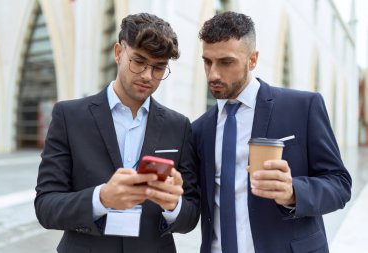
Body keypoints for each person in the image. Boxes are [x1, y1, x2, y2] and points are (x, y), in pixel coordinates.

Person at [34, 13, 200, 253]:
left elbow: (191, 215)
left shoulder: (179, 126)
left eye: (158, 68)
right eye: (138, 61)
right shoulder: (68, 116)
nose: (147, 75)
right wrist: (101, 199)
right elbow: (46, 206)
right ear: (118, 52)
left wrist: (174, 205)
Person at [192, 11, 352, 253]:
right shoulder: (199, 129)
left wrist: (293, 192)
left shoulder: (303, 107)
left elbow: (339, 184)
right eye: (207, 61)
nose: (213, 74)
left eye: (226, 62)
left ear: (253, 60)